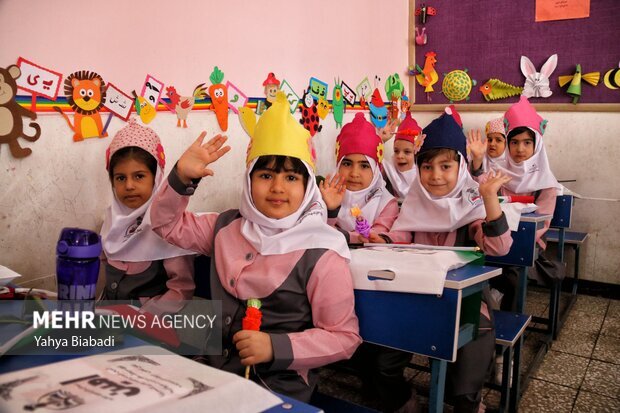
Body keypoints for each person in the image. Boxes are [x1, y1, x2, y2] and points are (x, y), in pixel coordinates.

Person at [149, 92, 361, 402]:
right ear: (249, 179)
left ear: (306, 187)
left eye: (291, 177)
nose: (277, 187)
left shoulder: (323, 253)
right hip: (211, 374)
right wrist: (181, 178)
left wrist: (275, 347)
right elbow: (165, 225)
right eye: (265, 175)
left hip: (276, 389)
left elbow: (344, 338)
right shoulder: (225, 227)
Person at [387, 108, 513, 413]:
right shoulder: (413, 205)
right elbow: (395, 242)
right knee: (377, 357)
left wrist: (489, 200)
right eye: (427, 166)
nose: (436, 175)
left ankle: (467, 401)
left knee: (472, 347)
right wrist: (382, 241)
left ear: (461, 167)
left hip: (464, 303)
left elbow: (499, 248)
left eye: (446, 166)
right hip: (413, 296)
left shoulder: (469, 207)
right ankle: (403, 400)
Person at [100, 119, 195, 315]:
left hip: (149, 331)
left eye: (139, 176)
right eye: (120, 178)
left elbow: (181, 289)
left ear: (156, 178)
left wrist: (144, 318)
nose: (129, 186)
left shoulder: (170, 228)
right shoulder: (110, 223)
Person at [480, 96, 562, 311]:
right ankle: (481, 314)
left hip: (525, 242)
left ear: (537, 145)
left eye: (527, 142)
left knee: (513, 276)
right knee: (475, 264)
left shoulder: (546, 183)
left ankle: (508, 323)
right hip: (496, 238)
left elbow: (542, 224)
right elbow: (480, 198)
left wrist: (516, 236)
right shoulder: (498, 174)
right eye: (514, 142)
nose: (520, 148)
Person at [319, 112, 398, 244]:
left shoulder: (386, 204)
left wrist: (349, 237)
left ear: (376, 170)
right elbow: (319, 235)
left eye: (364, 166)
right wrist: (331, 210)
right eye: (347, 164)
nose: (354, 173)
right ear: (338, 165)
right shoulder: (323, 195)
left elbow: (374, 239)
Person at [382, 112, 425, 200]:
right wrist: (382, 140)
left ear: (416, 153)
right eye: (396, 151)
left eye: (407, 152)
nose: (400, 156)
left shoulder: (424, 175)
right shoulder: (389, 169)